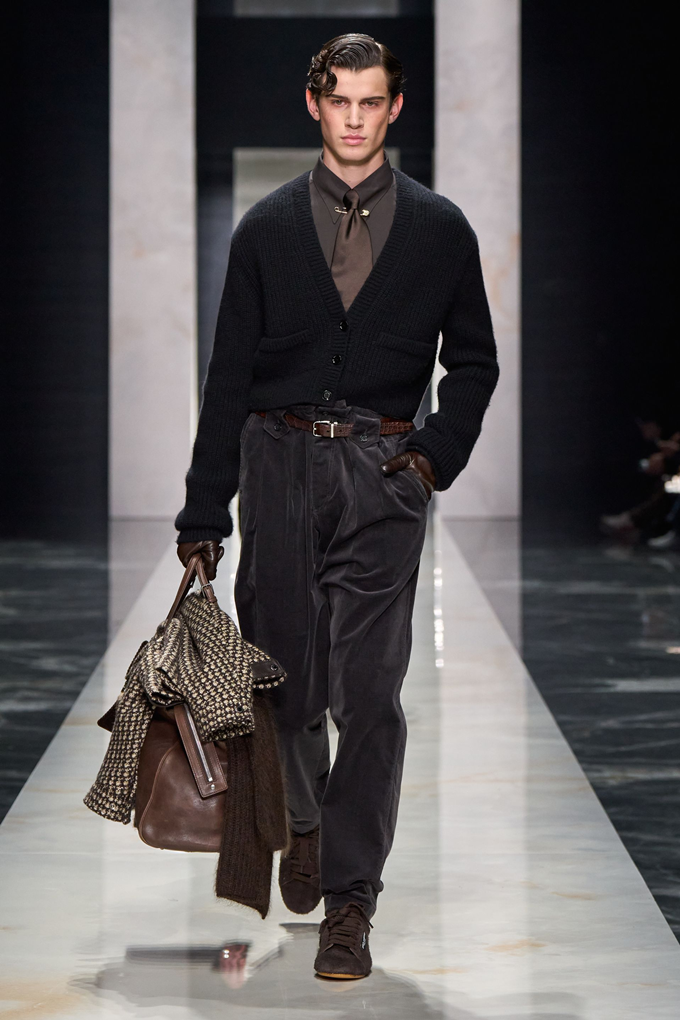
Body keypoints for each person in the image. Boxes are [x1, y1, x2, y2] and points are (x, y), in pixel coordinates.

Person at [175, 33, 498, 980]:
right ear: (314, 104)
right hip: (275, 465)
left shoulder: (441, 229)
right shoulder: (265, 229)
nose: (355, 119)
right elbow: (228, 376)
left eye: (371, 102)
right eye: (340, 101)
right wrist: (204, 511)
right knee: (283, 686)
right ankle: (306, 822)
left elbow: (474, 363)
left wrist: (430, 458)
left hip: (381, 472)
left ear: (394, 108)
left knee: (370, 695)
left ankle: (352, 902)